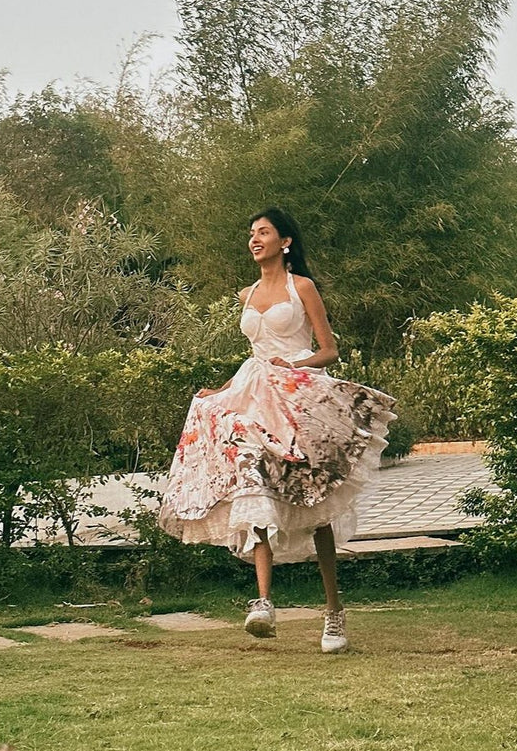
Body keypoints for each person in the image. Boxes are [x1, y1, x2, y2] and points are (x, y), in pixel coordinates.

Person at [158, 207, 396, 653]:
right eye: (251, 233)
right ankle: (263, 602)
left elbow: (329, 351)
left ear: (284, 242)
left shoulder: (301, 287)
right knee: (252, 477)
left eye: (263, 232)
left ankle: (333, 614)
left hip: (301, 396)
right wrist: (221, 389)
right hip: (254, 393)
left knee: (318, 503)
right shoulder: (246, 294)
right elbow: (255, 354)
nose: (254, 239)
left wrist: (297, 363)